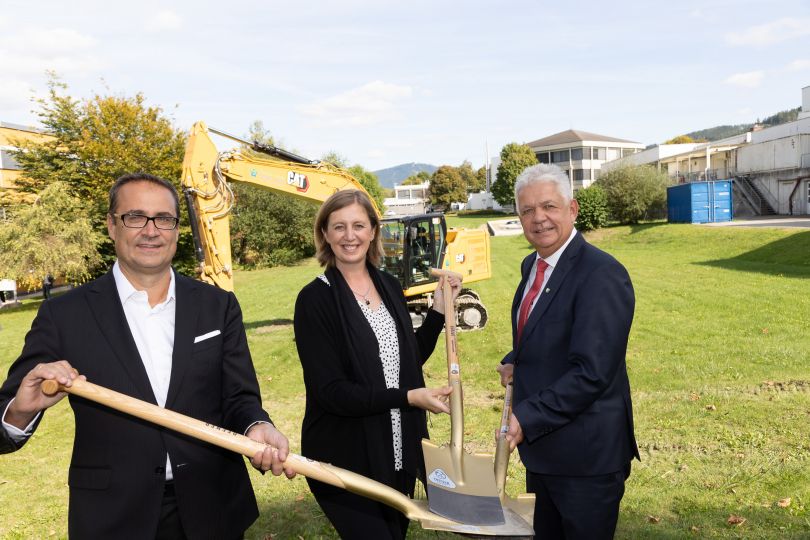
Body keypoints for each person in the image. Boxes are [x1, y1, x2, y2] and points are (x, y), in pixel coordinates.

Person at [0, 173, 295, 539]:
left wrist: (256, 426)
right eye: (135, 217)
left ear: (175, 228)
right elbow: (4, 421)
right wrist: (21, 410)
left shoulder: (217, 306)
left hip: (212, 507)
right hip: (114, 516)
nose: (151, 230)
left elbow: (239, 398)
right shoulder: (64, 315)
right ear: (111, 225)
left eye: (164, 219)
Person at [294, 189, 460, 539]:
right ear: (325, 233)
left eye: (358, 225)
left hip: (397, 450)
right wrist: (408, 398)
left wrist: (440, 308)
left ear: (373, 231)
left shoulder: (387, 284)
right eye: (338, 227)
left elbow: (406, 358)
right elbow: (332, 393)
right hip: (344, 456)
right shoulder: (315, 299)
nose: (349, 236)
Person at [497, 163, 639, 540]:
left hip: (585, 460)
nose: (538, 218)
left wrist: (526, 417)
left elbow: (592, 371)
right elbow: (546, 334)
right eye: (527, 210)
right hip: (544, 453)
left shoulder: (601, 274)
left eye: (549, 206)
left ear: (572, 209)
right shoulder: (533, 264)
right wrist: (517, 361)